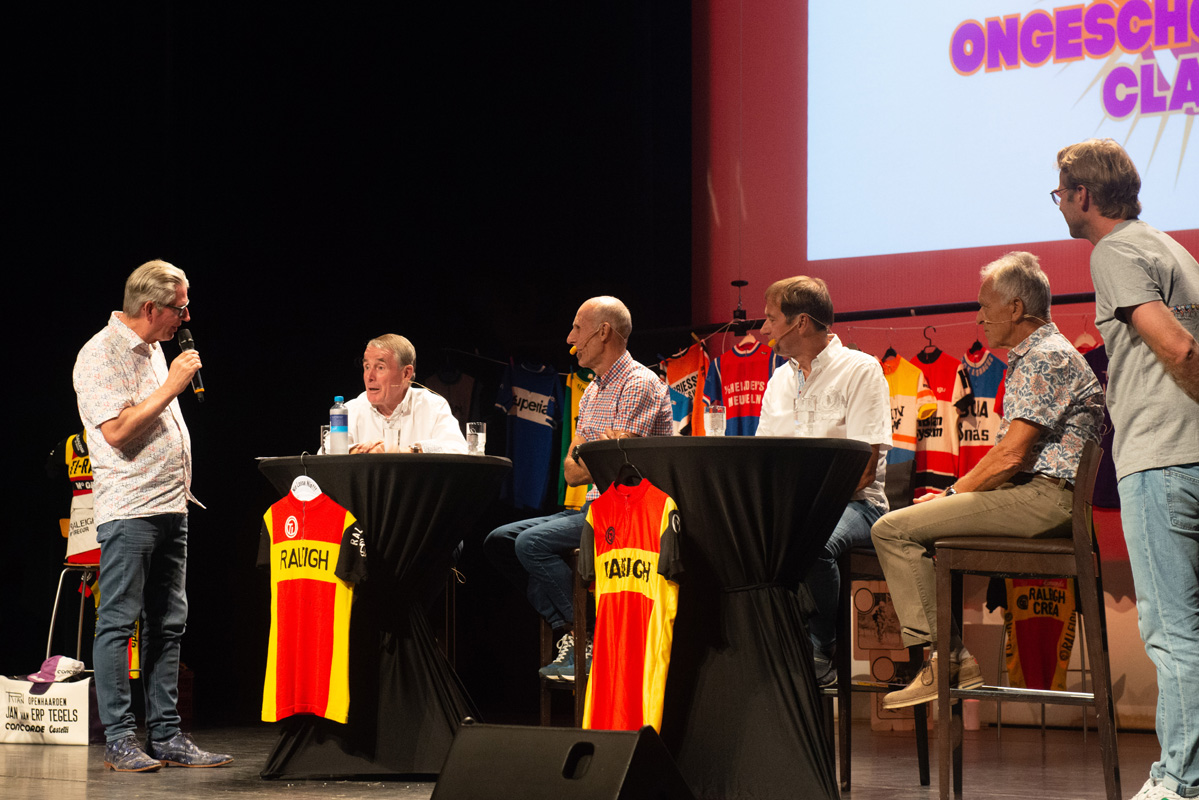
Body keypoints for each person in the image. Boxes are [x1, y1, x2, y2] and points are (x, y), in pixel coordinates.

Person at [871, 252, 1103, 710]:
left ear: (1015, 308)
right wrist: (950, 499)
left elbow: (1011, 456)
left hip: (1046, 500)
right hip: (1038, 495)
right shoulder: (1040, 354)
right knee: (915, 525)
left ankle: (947, 658)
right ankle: (951, 658)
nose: (978, 318)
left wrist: (952, 493)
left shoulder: (1044, 357)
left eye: (984, 306)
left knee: (892, 529)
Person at [1055, 138, 1199, 800]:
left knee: (1172, 631)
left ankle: (1180, 780)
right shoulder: (1173, 249)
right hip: (1187, 455)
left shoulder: (1112, 252)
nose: (1060, 204)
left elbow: (1177, 347)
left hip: (1160, 459)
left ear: (1083, 195)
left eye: (1060, 193)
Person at [73, 260, 232, 772]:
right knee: (119, 622)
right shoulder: (100, 354)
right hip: (129, 510)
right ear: (150, 308)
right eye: (179, 308)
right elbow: (118, 432)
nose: (186, 318)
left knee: (169, 624)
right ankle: (120, 739)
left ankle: (166, 735)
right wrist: (172, 386)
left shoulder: (156, 349)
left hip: (171, 504)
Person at [484, 296, 673, 681]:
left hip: (628, 512)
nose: (570, 339)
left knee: (530, 544)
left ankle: (586, 634)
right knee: (499, 541)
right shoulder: (591, 391)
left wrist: (596, 455)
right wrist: (599, 451)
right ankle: (574, 628)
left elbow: (621, 469)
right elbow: (572, 473)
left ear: (603, 332)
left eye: (577, 328)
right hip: (594, 507)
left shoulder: (638, 383)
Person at [756, 276, 892, 686]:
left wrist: (806, 509)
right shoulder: (779, 380)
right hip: (794, 507)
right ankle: (769, 645)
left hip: (858, 506)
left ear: (800, 323)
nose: (763, 329)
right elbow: (764, 461)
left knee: (812, 540)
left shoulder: (860, 369)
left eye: (770, 319)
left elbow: (865, 470)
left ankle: (821, 646)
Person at [341, 334, 467, 454]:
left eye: (380, 367)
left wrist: (406, 452)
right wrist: (364, 451)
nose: (369, 377)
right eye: (367, 367)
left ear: (406, 373)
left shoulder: (433, 406)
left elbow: (457, 448)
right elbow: (330, 450)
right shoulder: (348, 411)